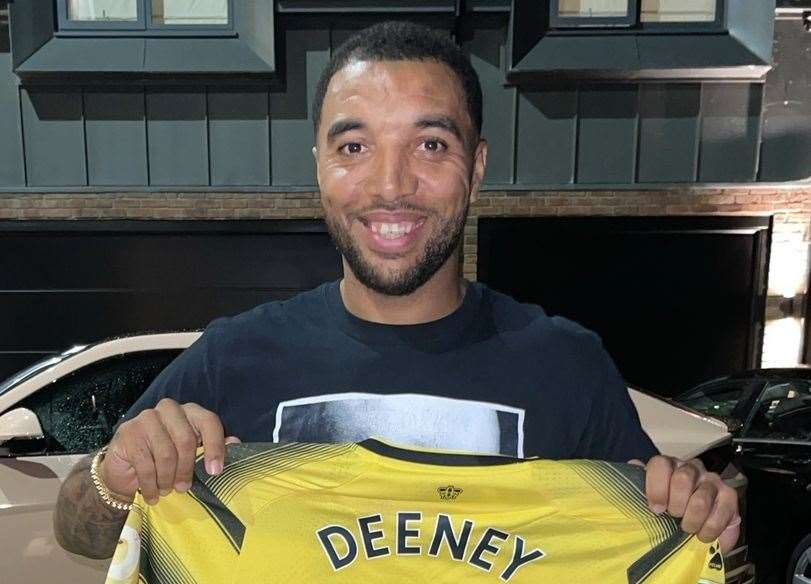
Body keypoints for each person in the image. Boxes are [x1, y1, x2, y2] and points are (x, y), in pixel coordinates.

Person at [53, 20, 740, 561]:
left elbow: (648, 537)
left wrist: (692, 508)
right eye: (354, 147)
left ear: (476, 167)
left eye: (430, 145)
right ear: (318, 165)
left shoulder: (566, 363)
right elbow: (79, 532)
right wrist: (116, 478)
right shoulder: (237, 353)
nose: (389, 185)